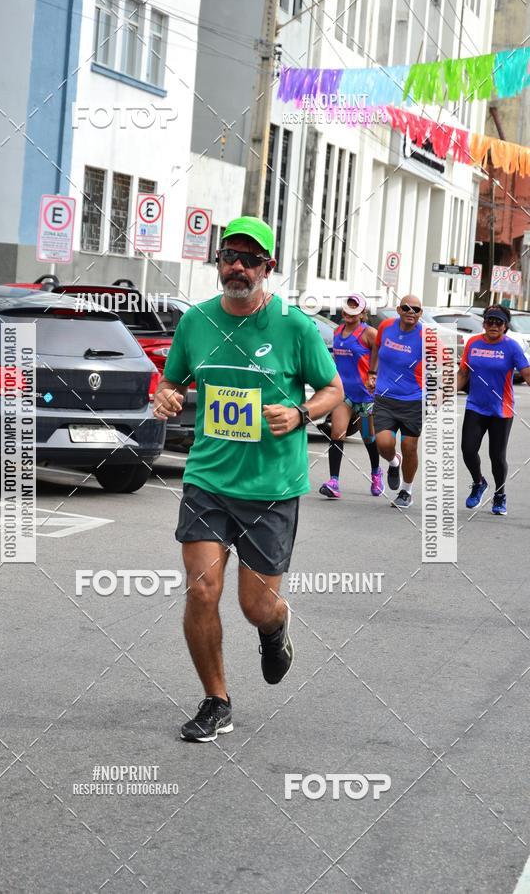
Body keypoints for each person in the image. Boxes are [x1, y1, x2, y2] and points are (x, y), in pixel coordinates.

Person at [153, 216, 343, 742]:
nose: (237, 266)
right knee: (201, 590)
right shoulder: (197, 322)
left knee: (254, 605)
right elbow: (171, 381)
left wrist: (302, 413)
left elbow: (334, 390)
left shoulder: (294, 326)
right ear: (218, 262)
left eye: (249, 259)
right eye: (229, 256)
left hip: (270, 488)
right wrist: (166, 396)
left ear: (268, 267)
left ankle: (275, 626)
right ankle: (216, 701)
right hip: (207, 479)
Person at [457, 304, 530, 515]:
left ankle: (500, 494)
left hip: (501, 409)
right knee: (468, 450)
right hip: (475, 406)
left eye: (499, 322)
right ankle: (479, 482)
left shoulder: (512, 347)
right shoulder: (473, 343)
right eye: (490, 320)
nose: (494, 325)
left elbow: (526, 374)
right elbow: (463, 374)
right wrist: (443, 394)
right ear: (484, 323)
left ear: (505, 326)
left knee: (497, 456)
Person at [319, 293, 384, 499]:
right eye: (347, 307)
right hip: (343, 394)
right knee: (337, 434)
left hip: (365, 396)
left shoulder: (369, 333)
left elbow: (382, 354)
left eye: (354, 308)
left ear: (362, 313)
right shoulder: (337, 331)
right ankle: (334, 482)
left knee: (368, 437)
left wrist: (374, 375)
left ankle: (376, 472)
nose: (348, 312)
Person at [367, 295, 424, 509]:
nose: (411, 312)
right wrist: (372, 373)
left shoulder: (426, 337)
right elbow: (376, 348)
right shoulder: (386, 327)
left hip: (413, 400)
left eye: (416, 309)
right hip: (385, 397)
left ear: (420, 313)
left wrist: (439, 392)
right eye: (406, 308)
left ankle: (406, 491)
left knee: (409, 447)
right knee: (383, 444)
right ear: (399, 310)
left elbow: (444, 363)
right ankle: (393, 462)